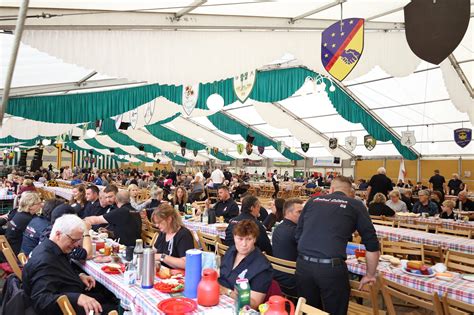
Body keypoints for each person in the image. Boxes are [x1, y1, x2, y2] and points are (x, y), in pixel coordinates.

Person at [295, 176, 380, 315]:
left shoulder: (312, 202)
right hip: (331, 268)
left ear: (331, 189)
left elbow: (298, 234)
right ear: (350, 192)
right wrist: (370, 274)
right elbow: (371, 243)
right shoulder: (355, 205)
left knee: (309, 311)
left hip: (303, 266)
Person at [23, 214, 118, 315]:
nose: (77, 245)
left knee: (106, 295)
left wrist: (79, 276)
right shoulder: (45, 261)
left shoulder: (52, 248)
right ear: (58, 234)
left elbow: (58, 272)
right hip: (63, 308)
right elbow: (41, 302)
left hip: (68, 291)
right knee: (116, 309)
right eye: (74, 240)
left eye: (79, 240)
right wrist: (76, 298)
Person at [219, 220, 273, 310]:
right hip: (219, 299)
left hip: (238, 309)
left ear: (255, 239)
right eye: (240, 239)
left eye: (249, 239)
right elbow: (221, 273)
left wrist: (226, 291)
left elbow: (255, 304)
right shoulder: (231, 251)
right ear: (234, 237)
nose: (244, 244)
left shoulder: (262, 267)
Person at [271, 198, 304, 296]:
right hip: (292, 281)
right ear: (288, 213)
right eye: (299, 212)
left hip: (277, 276)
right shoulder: (296, 232)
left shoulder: (278, 228)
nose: (303, 215)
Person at [152, 204, 194, 269]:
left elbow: (186, 263)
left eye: (159, 222)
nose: (157, 225)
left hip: (178, 275)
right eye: (156, 223)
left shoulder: (184, 235)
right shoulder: (163, 233)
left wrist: (162, 257)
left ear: (169, 219)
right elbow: (153, 251)